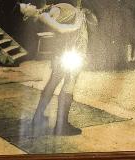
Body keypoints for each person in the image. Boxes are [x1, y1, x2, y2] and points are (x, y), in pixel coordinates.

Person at [20, 1, 95, 136]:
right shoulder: (43, 16)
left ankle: (38, 117)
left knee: (54, 81)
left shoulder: (45, 12)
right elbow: (61, 28)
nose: (29, 4)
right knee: (69, 83)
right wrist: (77, 23)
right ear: (26, 16)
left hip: (66, 49)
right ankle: (62, 125)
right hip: (72, 49)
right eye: (25, 7)